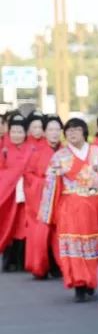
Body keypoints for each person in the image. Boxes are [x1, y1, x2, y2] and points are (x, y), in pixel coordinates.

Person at [39, 118, 98, 302]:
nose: (72, 133)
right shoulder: (59, 157)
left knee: (96, 243)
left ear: (84, 132)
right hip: (70, 206)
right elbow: (50, 183)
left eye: (77, 129)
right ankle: (78, 282)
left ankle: (93, 280)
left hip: (95, 205)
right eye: (69, 130)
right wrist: (48, 210)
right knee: (74, 244)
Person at [24, 116, 63, 280]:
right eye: (51, 130)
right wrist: (44, 183)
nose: (54, 133)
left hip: (61, 198)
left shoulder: (66, 152)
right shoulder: (37, 152)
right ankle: (41, 266)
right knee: (42, 232)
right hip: (42, 198)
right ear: (45, 132)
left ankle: (60, 266)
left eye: (57, 130)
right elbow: (28, 174)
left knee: (60, 233)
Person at [0, 115, 34, 271]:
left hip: (27, 194)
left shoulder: (31, 149)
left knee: (24, 226)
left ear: (25, 132)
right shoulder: (4, 150)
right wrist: (13, 176)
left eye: (19, 131)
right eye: (13, 131)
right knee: (10, 225)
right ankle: (9, 260)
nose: (16, 135)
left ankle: (24, 260)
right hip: (9, 195)